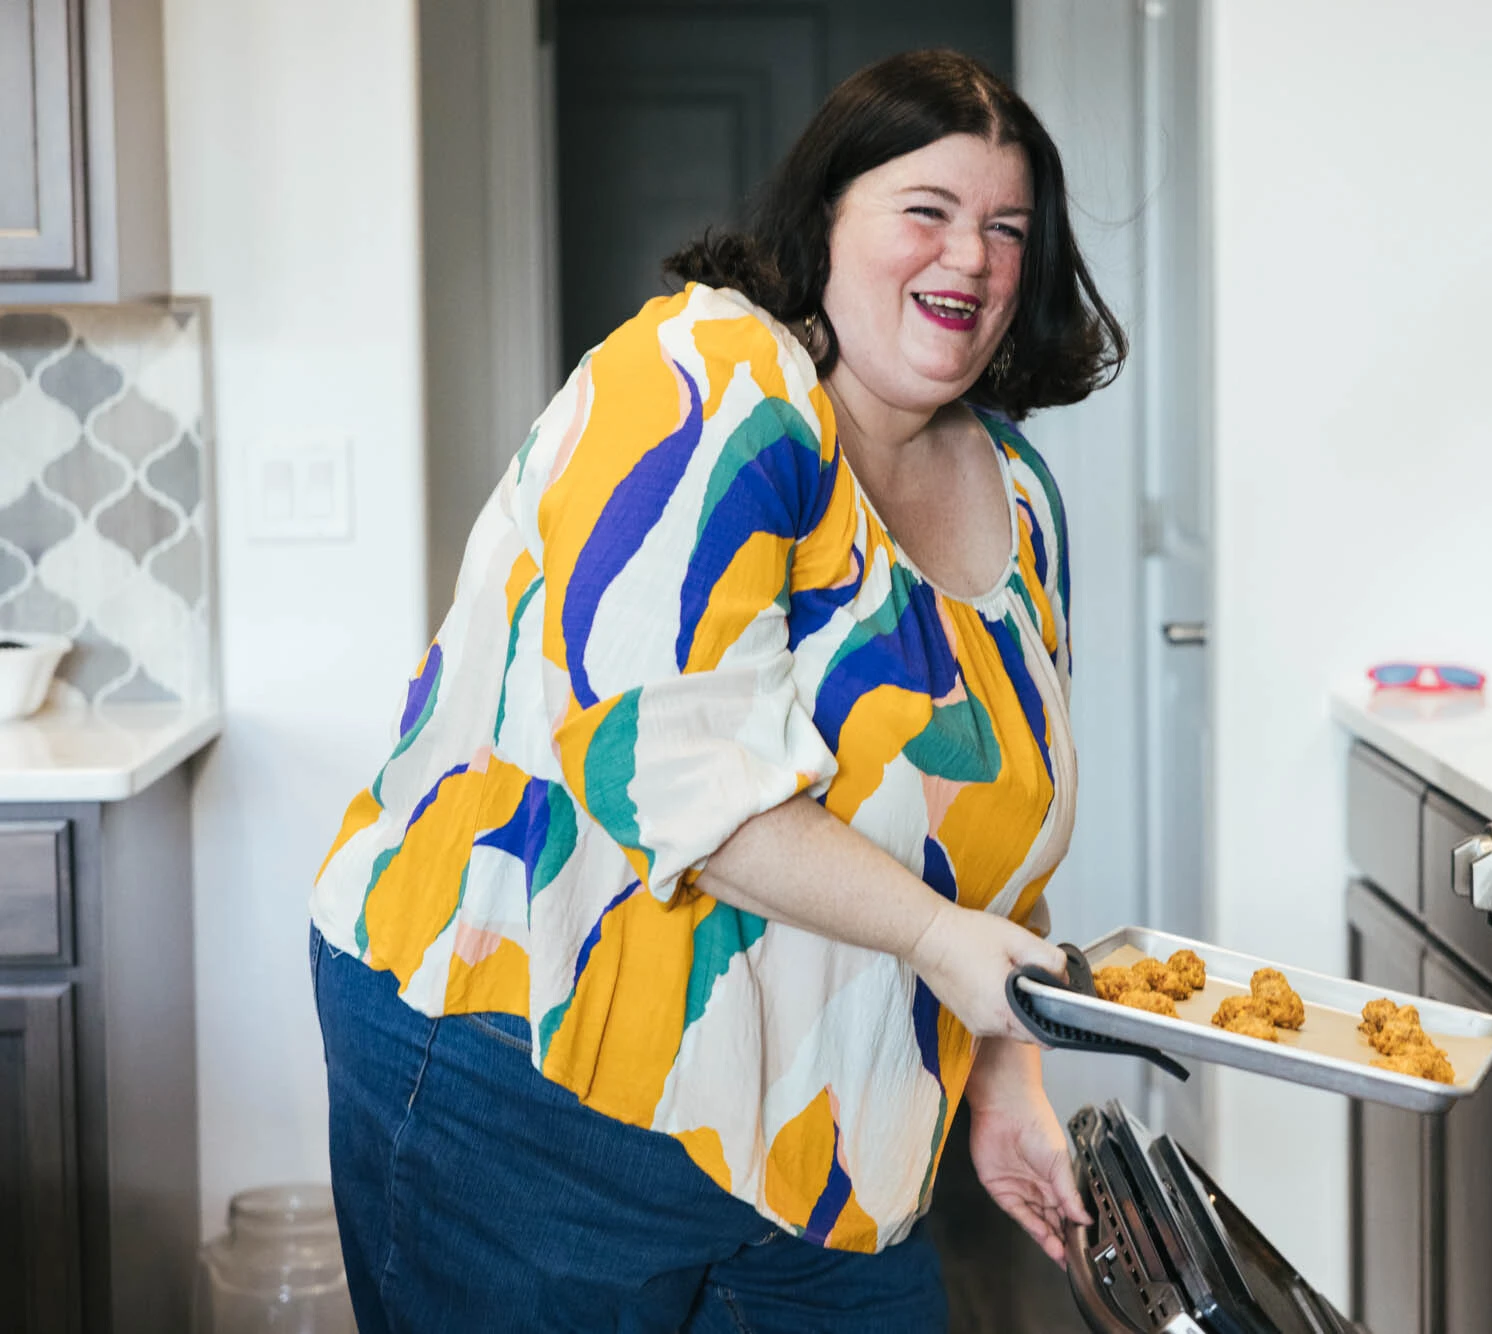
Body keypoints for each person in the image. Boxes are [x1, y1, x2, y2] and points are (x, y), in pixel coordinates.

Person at [308, 47, 1126, 1332]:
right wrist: (932, 940)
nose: (970, 256)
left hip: (828, 1131)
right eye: (926, 210)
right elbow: (667, 764)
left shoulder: (1018, 499)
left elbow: (998, 837)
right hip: (529, 1088)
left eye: (1005, 228)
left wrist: (1002, 1076)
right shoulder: (702, 378)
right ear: (824, 222)